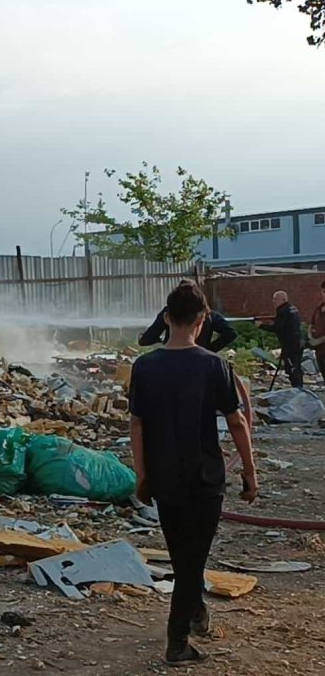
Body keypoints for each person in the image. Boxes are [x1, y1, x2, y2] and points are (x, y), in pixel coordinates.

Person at [129, 281, 257, 667]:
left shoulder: (144, 366)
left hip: (164, 476)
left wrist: (141, 475)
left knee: (184, 557)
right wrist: (250, 472)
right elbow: (236, 422)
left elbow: (137, 425)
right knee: (191, 563)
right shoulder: (214, 365)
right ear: (202, 321)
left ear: (167, 318)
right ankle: (177, 643)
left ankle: (196, 610)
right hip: (204, 477)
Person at [138, 280, 237, 352]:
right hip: (200, 360)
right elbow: (230, 333)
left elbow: (147, 339)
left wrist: (160, 342)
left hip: (171, 358)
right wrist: (210, 349)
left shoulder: (169, 312)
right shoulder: (209, 314)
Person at [258, 290, 304, 388]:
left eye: (275, 299)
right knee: (297, 366)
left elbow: (277, 328)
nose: (273, 301)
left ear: (283, 299)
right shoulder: (292, 308)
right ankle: (299, 387)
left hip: (290, 344)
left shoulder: (283, 310)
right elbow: (284, 322)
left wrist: (261, 325)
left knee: (292, 368)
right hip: (298, 341)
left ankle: (297, 389)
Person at [307, 280, 325, 376]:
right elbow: (311, 324)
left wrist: (318, 341)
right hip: (320, 352)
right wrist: (310, 336)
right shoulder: (318, 308)